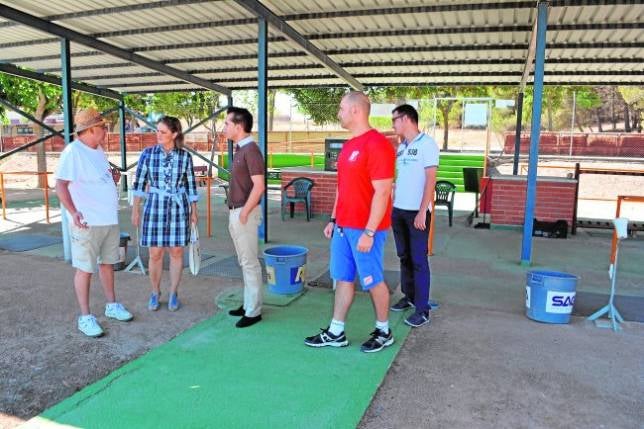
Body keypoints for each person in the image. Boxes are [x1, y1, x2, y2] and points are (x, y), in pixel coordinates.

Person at [304, 92, 396, 353]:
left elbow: (383, 192)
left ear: (356, 111)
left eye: (342, 109)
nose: (338, 113)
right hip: (343, 227)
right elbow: (342, 188)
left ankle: (383, 330)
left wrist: (369, 231)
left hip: (366, 229)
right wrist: (334, 219)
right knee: (343, 278)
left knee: (373, 280)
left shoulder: (377, 145)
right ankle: (336, 331)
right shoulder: (348, 146)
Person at [55, 108, 133, 337]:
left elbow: (100, 176)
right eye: (103, 127)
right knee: (85, 269)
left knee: (107, 264)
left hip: (108, 220)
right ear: (89, 130)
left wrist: (113, 178)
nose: (106, 131)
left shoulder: (98, 150)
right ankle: (85, 317)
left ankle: (111, 305)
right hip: (87, 223)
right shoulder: (73, 152)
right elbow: (60, 185)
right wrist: (74, 212)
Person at [131, 116, 199, 312]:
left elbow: (191, 185)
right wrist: (136, 210)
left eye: (163, 132)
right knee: (155, 253)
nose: (158, 135)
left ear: (174, 134)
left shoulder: (185, 157)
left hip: (179, 207)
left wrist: (194, 211)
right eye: (157, 131)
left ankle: (173, 293)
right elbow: (139, 184)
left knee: (177, 252)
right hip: (154, 206)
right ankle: (155, 292)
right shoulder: (147, 154)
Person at [389, 104, 439, 327]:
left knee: (419, 261)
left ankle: (423, 308)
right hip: (399, 210)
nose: (393, 125)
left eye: (395, 120)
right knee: (404, 257)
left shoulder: (427, 144)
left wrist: (422, 211)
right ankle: (409, 297)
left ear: (407, 119)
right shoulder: (401, 147)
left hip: (416, 214)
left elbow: (430, 180)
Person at [222, 107, 265, 328]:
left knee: (249, 263)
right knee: (244, 261)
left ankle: (254, 311)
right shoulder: (241, 149)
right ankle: (249, 304)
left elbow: (259, 186)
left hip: (244, 213)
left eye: (227, 123)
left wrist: (245, 213)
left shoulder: (251, 151)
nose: (224, 127)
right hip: (238, 212)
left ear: (239, 126)